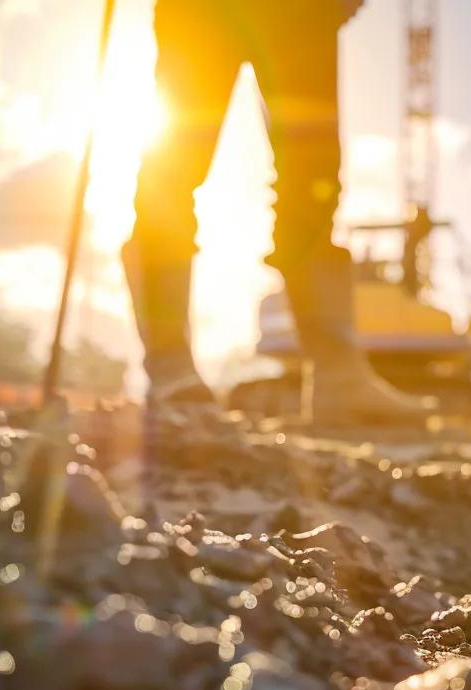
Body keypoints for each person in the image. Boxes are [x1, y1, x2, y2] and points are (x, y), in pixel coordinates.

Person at [125, 0, 433, 424]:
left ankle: (336, 376)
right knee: (175, 166)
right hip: (198, 11)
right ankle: (168, 362)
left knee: (313, 181)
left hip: (301, 12)